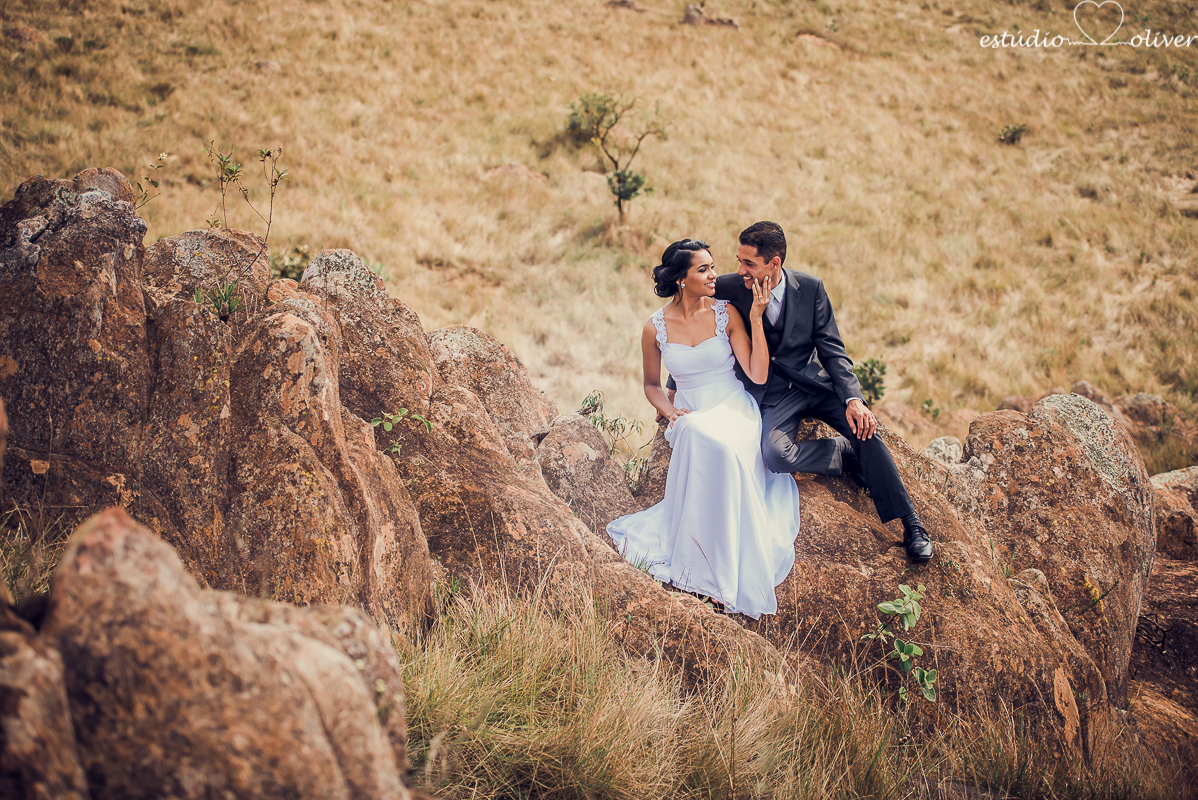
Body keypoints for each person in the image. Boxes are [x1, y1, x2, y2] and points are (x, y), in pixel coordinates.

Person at [670, 221, 933, 562]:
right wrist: (676, 385)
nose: (740, 270)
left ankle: (912, 524)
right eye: (739, 261)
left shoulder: (810, 288)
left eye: (749, 263)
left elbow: (832, 349)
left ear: (774, 263)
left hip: (815, 384)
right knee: (774, 455)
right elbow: (693, 327)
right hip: (772, 392)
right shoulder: (731, 287)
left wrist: (853, 399)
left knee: (865, 429)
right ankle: (841, 454)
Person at [606, 239, 802, 619]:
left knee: (721, 447)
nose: (714, 275)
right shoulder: (654, 328)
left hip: (733, 407)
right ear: (682, 279)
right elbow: (651, 384)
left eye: (712, 267)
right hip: (691, 412)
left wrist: (756, 318)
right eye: (704, 269)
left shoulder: (726, 314)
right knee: (694, 431)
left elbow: (758, 373)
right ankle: (698, 566)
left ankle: (720, 573)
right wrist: (670, 411)